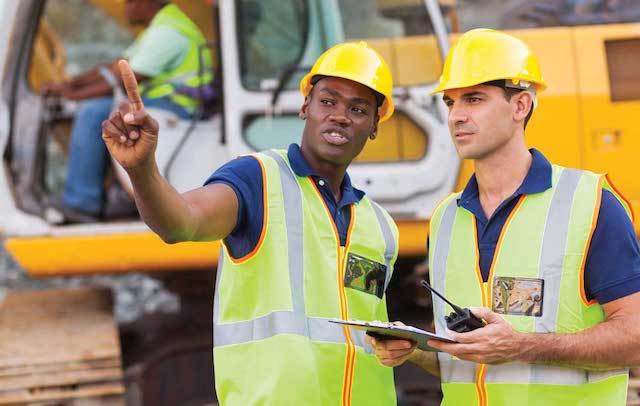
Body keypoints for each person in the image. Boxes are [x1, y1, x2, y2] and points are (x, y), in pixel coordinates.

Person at [103, 42, 399, 405]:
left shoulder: (381, 227)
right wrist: (141, 169)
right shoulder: (257, 180)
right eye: (328, 101)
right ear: (306, 106)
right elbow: (181, 222)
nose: (340, 116)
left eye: (358, 109)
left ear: (373, 126)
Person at [369, 28, 640, 405]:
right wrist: (415, 349)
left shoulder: (590, 204)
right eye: (450, 103)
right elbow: (466, 360)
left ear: (520, 106)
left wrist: (521, 346)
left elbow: (635, 339)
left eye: (474, 99)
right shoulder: (445, 220)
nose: (457, 116)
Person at [45, 0, 212, 223]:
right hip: (162, 102)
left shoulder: (168, 33)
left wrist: (73, 96)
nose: (127, 9)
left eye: (131, 2)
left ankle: (81, 202)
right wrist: (69, 86)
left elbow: (122, 79)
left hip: (177, 107)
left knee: (94, 112)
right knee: (105, 109)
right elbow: (113, 68)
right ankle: (113, 195)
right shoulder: (161, 27)